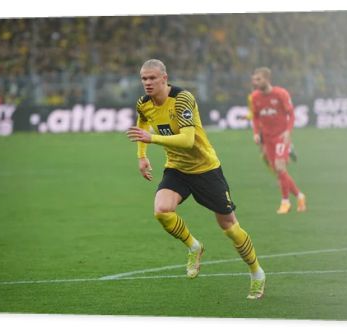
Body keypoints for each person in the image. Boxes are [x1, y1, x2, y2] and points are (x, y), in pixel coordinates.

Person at [126, 59, 266, 299]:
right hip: (177, 168)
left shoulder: (182, 99)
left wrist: (152, 140)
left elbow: (188, 140)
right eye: (143, 78)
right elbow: (142, 123)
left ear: (164, 77)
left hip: (206, 169)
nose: (147, 83)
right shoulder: (144, 104)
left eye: (151, 78)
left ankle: (256, 273)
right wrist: (142, 156)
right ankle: (194, 246)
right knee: (162, 210)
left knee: (230, 228)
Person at [250, 67, 306, 214]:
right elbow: (255, 116)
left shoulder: (280, 94)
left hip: (281, 136)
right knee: (280, 172)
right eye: (254, 79)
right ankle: (300, 196)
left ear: (267, 79)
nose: (255, 82)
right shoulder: (255, 97)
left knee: (280, 167)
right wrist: (256, 133)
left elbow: (291, 114)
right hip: (267, 139)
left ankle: (285, 202)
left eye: (258, 79)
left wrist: (288, 132)